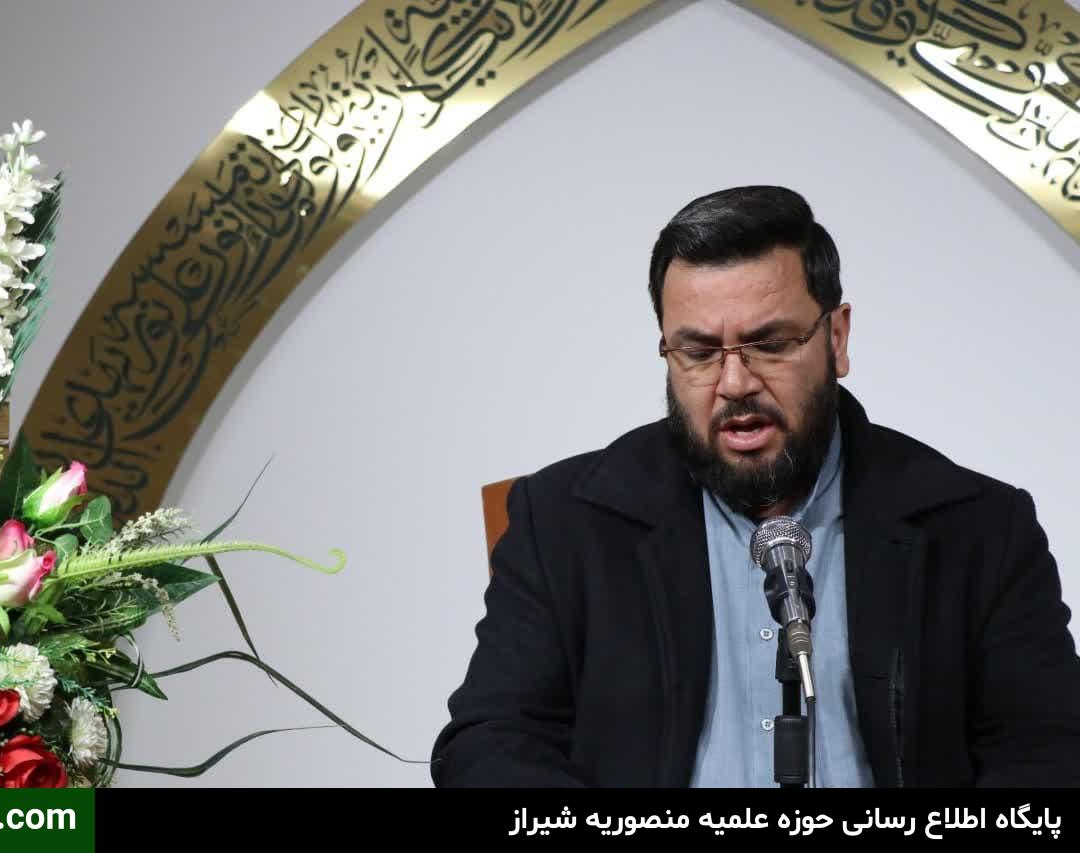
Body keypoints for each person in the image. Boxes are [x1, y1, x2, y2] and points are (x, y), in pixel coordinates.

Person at [430, 185, 1080, 787]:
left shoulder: (979, 528)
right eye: (699, 352)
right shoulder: (562, 522)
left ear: (836, 337)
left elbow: (1049, 747)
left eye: (768, 344)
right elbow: (491, 739)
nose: (735, 383)